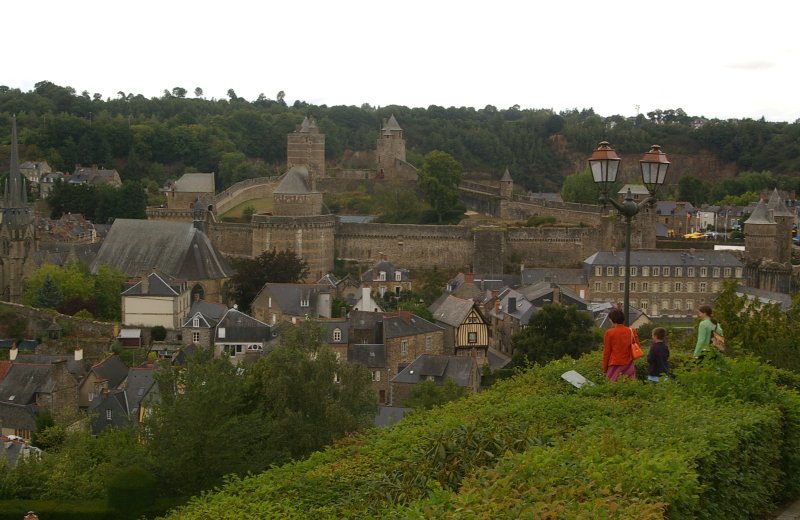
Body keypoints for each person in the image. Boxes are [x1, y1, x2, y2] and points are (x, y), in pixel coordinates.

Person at [602, 308, 636, 382]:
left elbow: (607, 352)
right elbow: (637, 347)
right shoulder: (631, 331)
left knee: (613, 389)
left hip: (614, 365)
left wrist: (605, 368)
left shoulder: (609, 333)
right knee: (629, 388)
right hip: (629, 365)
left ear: (612, 319)